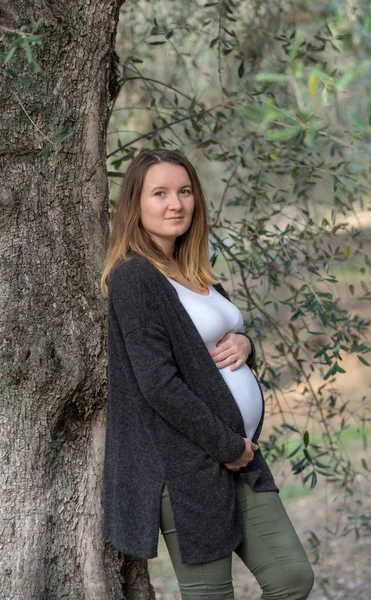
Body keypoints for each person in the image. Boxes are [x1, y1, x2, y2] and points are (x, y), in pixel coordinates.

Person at [101, 148, 315, 599]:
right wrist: (227, 446)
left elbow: (209, 350)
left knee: (291, 578)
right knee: (210, 593)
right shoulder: (135, 279)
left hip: (239, 457)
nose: (174, 203)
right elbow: (157, 384)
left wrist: (247, 343)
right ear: (135, 206)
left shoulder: (194, 271)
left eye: (183, 191)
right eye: (159, 193)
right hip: (187, 465)